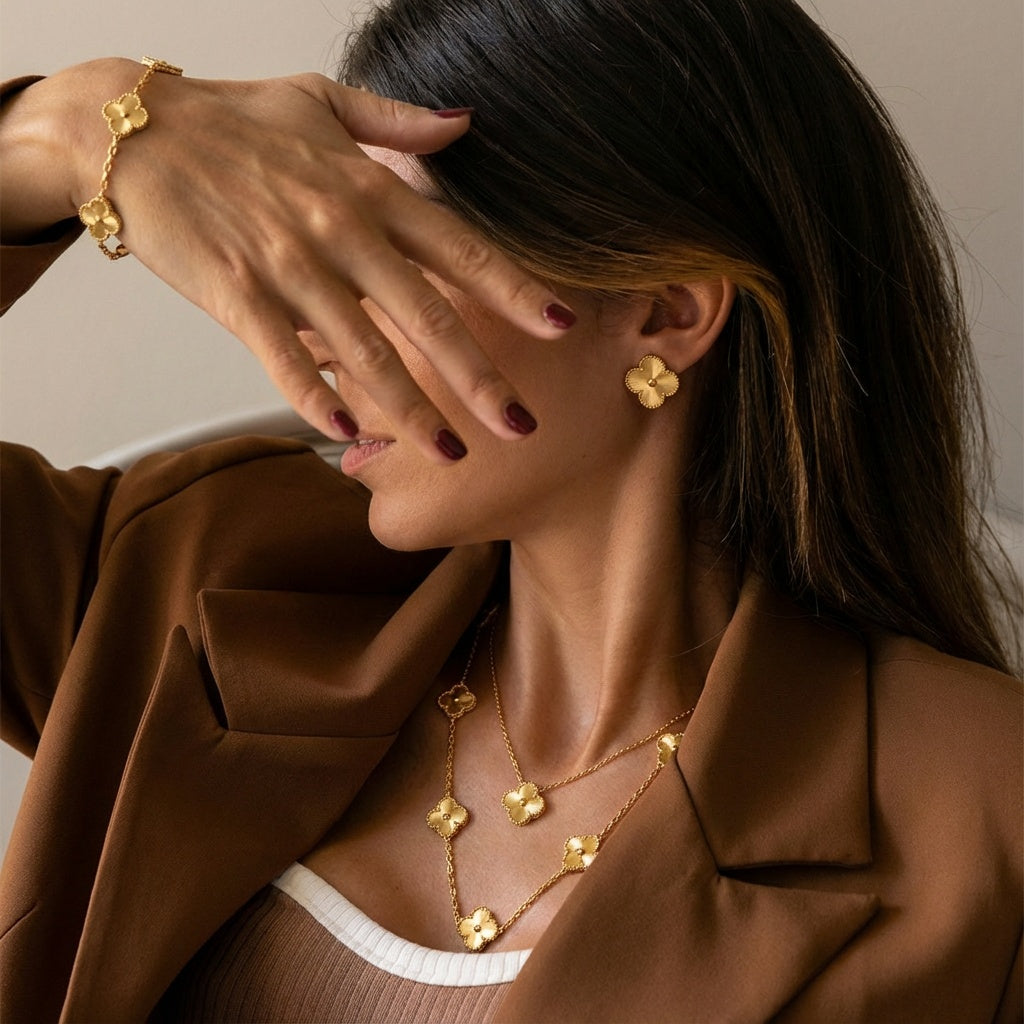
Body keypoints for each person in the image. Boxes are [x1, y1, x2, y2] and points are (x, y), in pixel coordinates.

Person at [1, 0, 1021, 1021]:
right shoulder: (194, 580)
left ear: (664, 310)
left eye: (386, 254)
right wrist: (69, 130)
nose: (316, 337)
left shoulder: (981, 820)